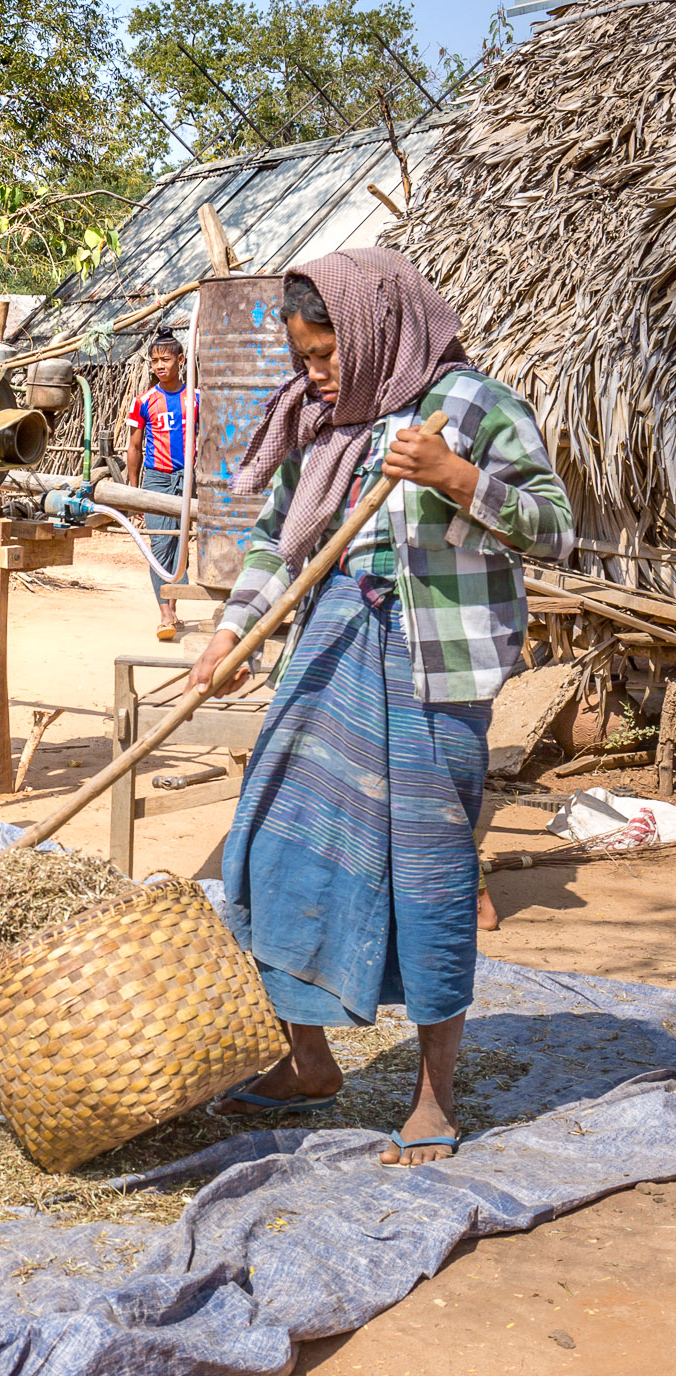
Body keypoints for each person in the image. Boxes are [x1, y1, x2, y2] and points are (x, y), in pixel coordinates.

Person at [192, 248, 572, 1166]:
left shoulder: (474, 407)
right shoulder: (324, 419)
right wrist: (234, 634)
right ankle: (307, 1059)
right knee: (269, 840)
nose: (314, 374)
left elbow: (557, 527)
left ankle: (433, 1098)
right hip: (328, 649)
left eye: (325, 354)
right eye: (305, 357)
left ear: (373, 331)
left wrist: (455, 476)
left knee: (432, 875)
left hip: (435, 669)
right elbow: (278, 546)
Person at [125, 326, 197, 641]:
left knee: (180, 546)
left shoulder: (196, 398)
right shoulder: (144, 402)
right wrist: (133, 492)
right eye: (155, 361)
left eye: (166, 359)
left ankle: (173, 607)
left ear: (180, 360)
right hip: (156, 478)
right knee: (159, 545)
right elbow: (134, 447)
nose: (159, 366)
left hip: (188, 479)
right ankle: (165, 614)